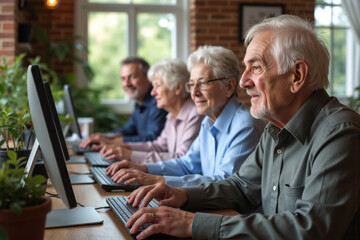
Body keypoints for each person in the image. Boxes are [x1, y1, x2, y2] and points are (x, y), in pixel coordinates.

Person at [123, 15, 360, 240]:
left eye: (256, 68)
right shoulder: (274, 129)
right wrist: (183, 195)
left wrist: (192, 223)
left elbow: (311, 229)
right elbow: (242, 187)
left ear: (296, 75)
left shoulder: (340, 133)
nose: (244, 82)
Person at [106, 45, 265, 187]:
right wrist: (144, 168)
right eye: (192, 84)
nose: (194, 92)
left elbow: (224, 183)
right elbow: (187, 164)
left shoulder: (245, 126)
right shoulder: (208, 122)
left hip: (234, 216)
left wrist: (159, 180)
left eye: (202, 83)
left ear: (229, 86)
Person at [99, 58, 203, 163]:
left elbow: (182, 159)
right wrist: (121, 147)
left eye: (157, 86)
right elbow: (158, 146)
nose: (153, 93)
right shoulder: (171, 115)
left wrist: (131, 155)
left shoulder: (195, 115)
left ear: (178, 87)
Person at [79, 57, 168, 149]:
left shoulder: (158, 102)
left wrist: (111, 141)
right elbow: (128, 130)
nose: (126, 84)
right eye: (123, 78)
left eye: (132, 77)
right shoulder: (139, 102)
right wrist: (104, 136)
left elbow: (152, 139)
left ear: (148, 79)